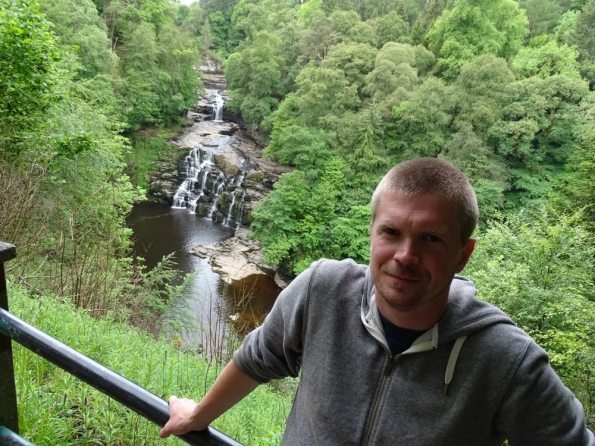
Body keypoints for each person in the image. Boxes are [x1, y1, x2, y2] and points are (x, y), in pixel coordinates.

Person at [159, 157, 595, 445]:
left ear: (464, 253)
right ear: (372, 233)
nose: (405, 255)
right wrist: (199, 414)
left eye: (431, 238)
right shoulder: (321, 289)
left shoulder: (503, 358)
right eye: (391, 232)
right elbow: (257, 358)